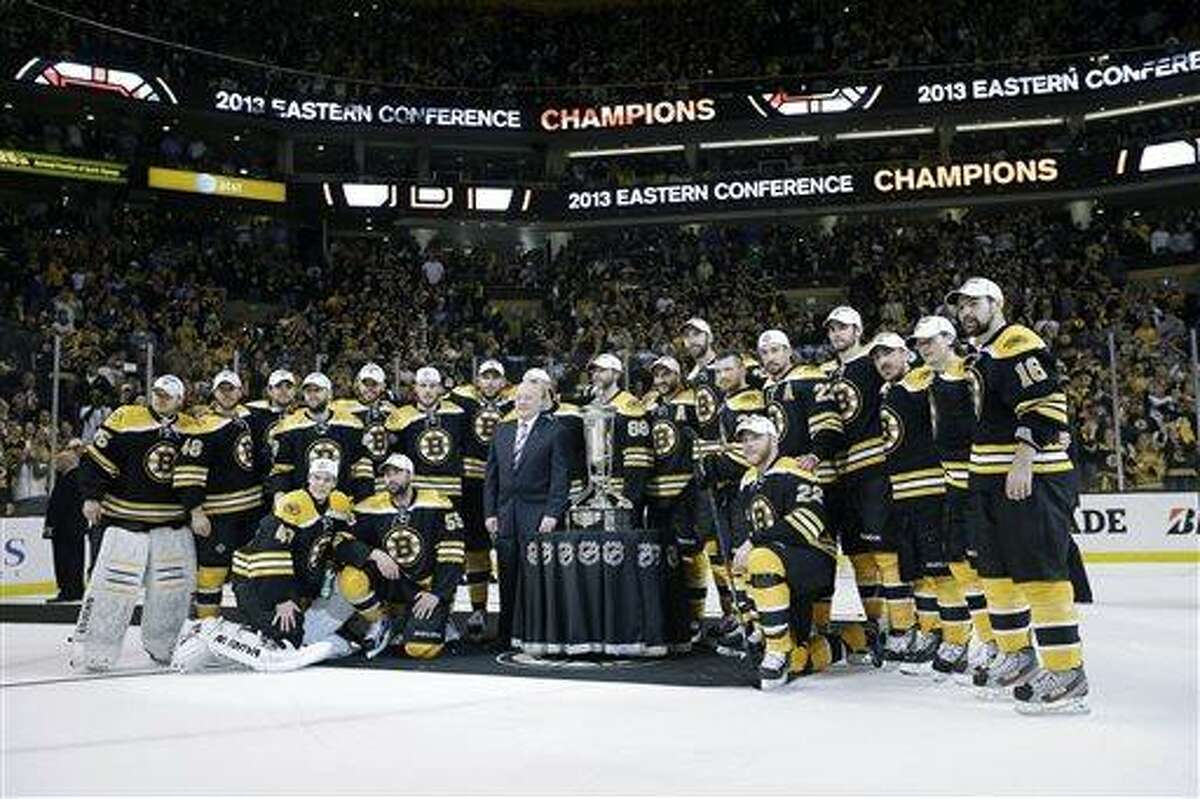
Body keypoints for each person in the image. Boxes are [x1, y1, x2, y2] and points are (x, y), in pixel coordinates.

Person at [948, 276, 1089, 714]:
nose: (966, 312)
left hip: (1029, 477)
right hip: (990, 479)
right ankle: (1017, 655)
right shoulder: (983, 355)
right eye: (961, 306)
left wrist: (1025, 456)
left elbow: (1045, 401)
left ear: (997, 304)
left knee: (1039, 575)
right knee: (995, 575)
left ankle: (1067, 672)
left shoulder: (1017, 341)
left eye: (975, 303)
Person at [174, 458, 368, 672]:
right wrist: (281, 599)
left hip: (284, 580)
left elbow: (340, 537)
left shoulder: (336, 504)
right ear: (308, 478)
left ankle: (237, 639)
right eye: (316, 478)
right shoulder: (294, 504)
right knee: (286, 636)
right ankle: (204, 628)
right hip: (256, 579)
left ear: (334, 482)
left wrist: (368, 554)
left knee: (289, 637)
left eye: (327, 479)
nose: (321, 484)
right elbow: (270, 552)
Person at [72, 374, 200, 671]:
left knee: (173, 591)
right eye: (157, 393)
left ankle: (165, 645)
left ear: (180, 399)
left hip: (171, 523)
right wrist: (92, 496)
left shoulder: (191, 427)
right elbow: (95, 459)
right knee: (111, 589)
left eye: (168, 395)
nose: (161, 398)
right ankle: (97, 647)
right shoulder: (126, 417)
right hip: (124, 520)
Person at [871, 331, 971, 674]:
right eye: (878, 356)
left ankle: (957, 638)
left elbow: (953, 372)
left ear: (906, 355)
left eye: (890, 354)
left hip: (933, 490)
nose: (883, 361)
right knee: (920, 574)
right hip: (903, 494)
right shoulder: (888, 391)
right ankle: (932, 632)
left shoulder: (922, 379)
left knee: (942, 570)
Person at [910, 314, 995, 678]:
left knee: (990, 569)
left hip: (979, 483)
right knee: (960, 564)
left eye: (930, 341)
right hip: (952, 486)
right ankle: (990, 641)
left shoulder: (971, 371)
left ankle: (1001, 645)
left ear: (949, 338)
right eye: (920, 343)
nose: (924, 348)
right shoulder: (928, 379)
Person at [730, 415, 842, 690]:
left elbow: (808, 522)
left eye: (756, 437)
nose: (748, 444)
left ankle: (777, 651)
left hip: (812, 561)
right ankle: (852, 641)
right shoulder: (747, 480)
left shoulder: (795, 469)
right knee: (800, 658)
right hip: (778, 564)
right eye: (744, 439)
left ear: (773, 438)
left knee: (759, 556)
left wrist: (757, 541)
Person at [336, 453, 466, 659]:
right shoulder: (370, 506)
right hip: (391, 582)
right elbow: (341, 543)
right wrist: (373, 553)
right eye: (387, 474)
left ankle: (437, 616)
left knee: (420, 649)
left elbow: (453, 551)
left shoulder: (437, 504)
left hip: (425, 588)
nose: (390, 479)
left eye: (396, 473)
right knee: (351, 578)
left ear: (410, 475)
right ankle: (381, 620)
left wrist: (438, 593)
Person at [823, 306, 893, 641]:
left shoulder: (872, 361)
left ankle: (904, 625)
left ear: (858, 329)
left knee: (884, 550)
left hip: (875, 468)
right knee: (858, 553)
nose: (837, 334)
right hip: (844, 474)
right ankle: (874, 623)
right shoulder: (830, 374)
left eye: (843, 328)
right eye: (833, 329)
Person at [483, 379, 570, 648]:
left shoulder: (555, 431)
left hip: (538, 515)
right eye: (519, 397)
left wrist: (553, 513)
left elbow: (560, 478)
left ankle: (536, 633)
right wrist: (490, 513)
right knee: (507, 578)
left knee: (536, 580)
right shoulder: (502, 430)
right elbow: (491, 477)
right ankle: (506, 634)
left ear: (543, 401)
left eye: (528, 398)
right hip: (506, 516)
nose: (521, 402)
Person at [172, 370, 266, 619]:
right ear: (214, 393)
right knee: (212, 572)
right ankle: (206, 624)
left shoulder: (248, 417)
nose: (227, 394)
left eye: (231, 389)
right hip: (218, 515)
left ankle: (255, 623)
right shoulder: (202, 426)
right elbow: (188, 474)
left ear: (241, 391)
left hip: (251, 512)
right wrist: (195, 512)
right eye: (222, 390)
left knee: (252, 571)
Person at [642, 355, 707, 633]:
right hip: (656, 491)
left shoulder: (694, 399)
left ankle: (695, 617)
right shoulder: (648, 404)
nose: (661, 380)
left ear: (678, 375)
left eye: (666, 374)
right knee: (661, 555)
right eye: (657, 375)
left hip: (686, 488)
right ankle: (668, 613)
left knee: (690, 552)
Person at [451, 359, 514, 639]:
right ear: (477, 380)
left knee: (506, 547)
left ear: (503, 382)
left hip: (506, 484)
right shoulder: (463, 399)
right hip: (471, 484)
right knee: (475, 546)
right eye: (485, 377)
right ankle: (478, 609)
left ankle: (514, 612)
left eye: (495, 378)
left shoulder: (514, 402)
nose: (489, 382)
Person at [266, 372, 374, 502]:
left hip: (342, 502)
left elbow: (362, 465)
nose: (312, 395)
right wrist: (280, 495)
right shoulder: (288, 427)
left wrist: (363, 497)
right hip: (303, 506)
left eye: (317, 390)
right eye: (308, 391)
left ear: (329, 394)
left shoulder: (351, 425)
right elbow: (282, 469)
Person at [585, 353, 653, 523]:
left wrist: (630, 496)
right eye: (594, 371)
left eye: (602, 370)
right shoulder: (593, 405)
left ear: (616, 374)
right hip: (598, 488)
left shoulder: (630, 406)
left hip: (621, 488)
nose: (596, 375)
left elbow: (638, 456)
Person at [386, 366, 467, 505]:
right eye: (423, 385)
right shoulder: (402, 416)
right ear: (415, 388)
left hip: (451, 487)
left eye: (432, 386)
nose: (427, 391)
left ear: (440, 389)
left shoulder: (457, 413)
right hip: (418, 488)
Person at [331, 362, 397, 482]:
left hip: (383, 472)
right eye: (366, 384)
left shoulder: (390, 410)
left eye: (374, 384)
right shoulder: (343, 408)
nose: (369, 389)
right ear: (358, 384)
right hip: (354, 471)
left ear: (383, 386)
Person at [44, 439, 88, 602]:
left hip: (64, 529)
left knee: (65, 559)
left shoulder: (68, 480)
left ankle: (68, 590)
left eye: (58, 462)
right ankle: (76, 589)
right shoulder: (78, 478)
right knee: (76, 559)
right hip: (75, 528)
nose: (55, 465)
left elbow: (58, 506)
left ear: (66, 462)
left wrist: (50, 525)